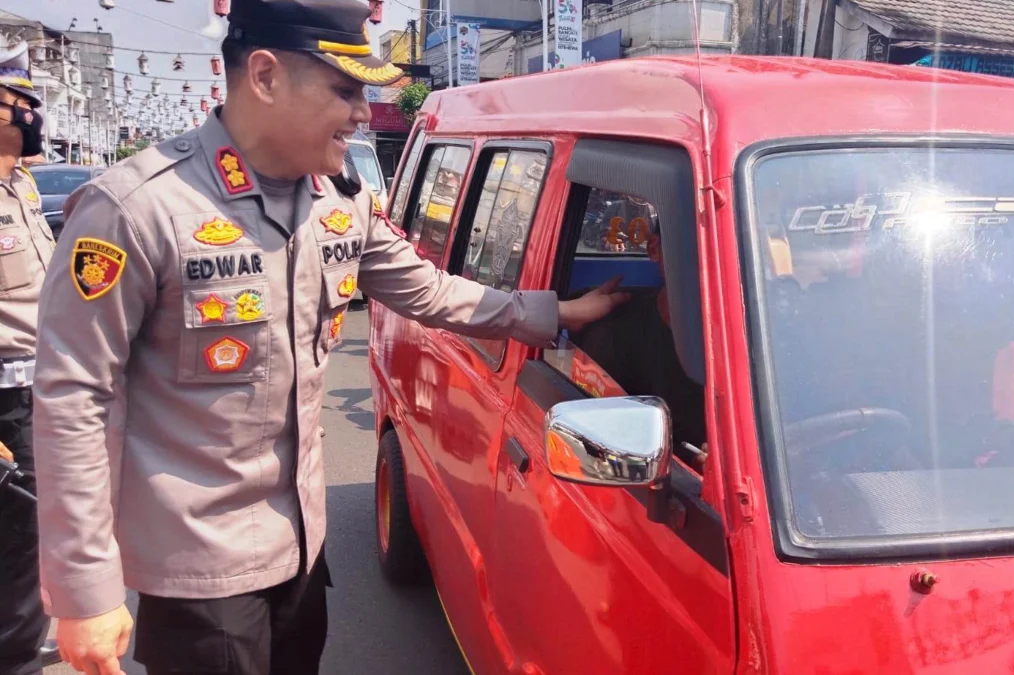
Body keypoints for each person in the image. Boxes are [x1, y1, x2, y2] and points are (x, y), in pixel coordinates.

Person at [31, 2, 627, 674]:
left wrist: (554, 314)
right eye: (345, 91)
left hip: (300, 550)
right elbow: (72, 396)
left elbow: (429, 291)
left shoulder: (338, 203)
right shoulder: (137, 209)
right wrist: (84, 589)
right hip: (198, 574)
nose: (362, 114)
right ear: (264, 75)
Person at [0, 39, 65, 675]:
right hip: (1, 402)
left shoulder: (18, 185)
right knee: (17, 540)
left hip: (29, 390)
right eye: (19, 103)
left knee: (27, 534)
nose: (30, 113)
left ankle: (18, 635)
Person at [576, 218, 707, 462]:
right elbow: (607, 444)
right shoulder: (614, 334)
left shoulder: (769, 338)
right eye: (696, 245)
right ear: (655, 249)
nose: (711, 262)